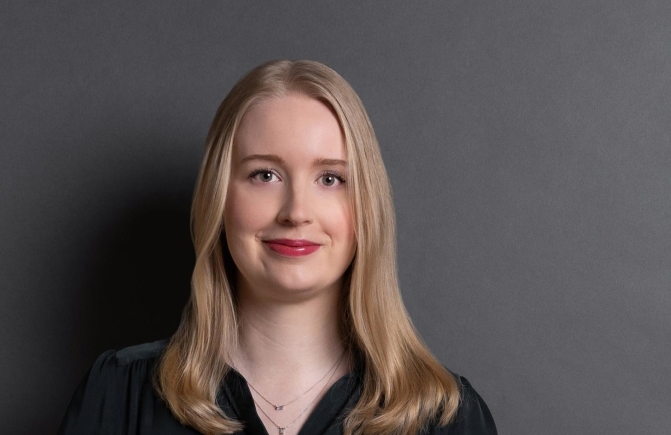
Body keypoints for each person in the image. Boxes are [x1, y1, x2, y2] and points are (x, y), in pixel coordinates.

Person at [59, 59, 497, 435]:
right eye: (265, 175)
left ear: (368, 206)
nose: (296, 212)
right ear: (218, 198)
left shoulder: (446, 418)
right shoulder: (119, 395)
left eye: (330, 179)